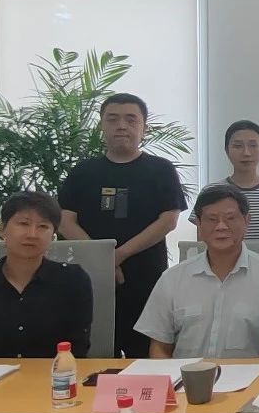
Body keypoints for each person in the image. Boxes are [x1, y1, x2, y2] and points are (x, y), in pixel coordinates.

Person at [58, 93, 187, 357]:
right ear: (101, 126)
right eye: (112, 119)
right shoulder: (82, 172)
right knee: (94, 358)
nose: (121, 126)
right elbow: (64, 221)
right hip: (91, 279)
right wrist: (102, 258)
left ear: (144, 127)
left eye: (131, 119)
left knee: (146, 358)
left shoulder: (161, 169)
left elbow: (168, 220)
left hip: (146, 280)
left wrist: (118, 255)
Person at [135, 185, 259, 358]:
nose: (221, 226)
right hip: (184, 374)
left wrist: (256, 374)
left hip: (251, 375)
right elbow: (159, 347)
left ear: (247, 220)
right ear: (199, 223)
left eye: (230, 218)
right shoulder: (172, 279)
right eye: (212, 219)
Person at [0, 191, 92, 358]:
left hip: (55, 374)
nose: (32, 234)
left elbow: (77, 350)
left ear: (53, 236)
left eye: (43, 226)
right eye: (23, 224)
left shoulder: (74, 281)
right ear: (2, 229)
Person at [188, 120, 259, 241]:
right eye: (238, 146)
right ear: (227, 150)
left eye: (253, 145)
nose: (246, 153)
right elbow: (202, 245)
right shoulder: (210, 192)